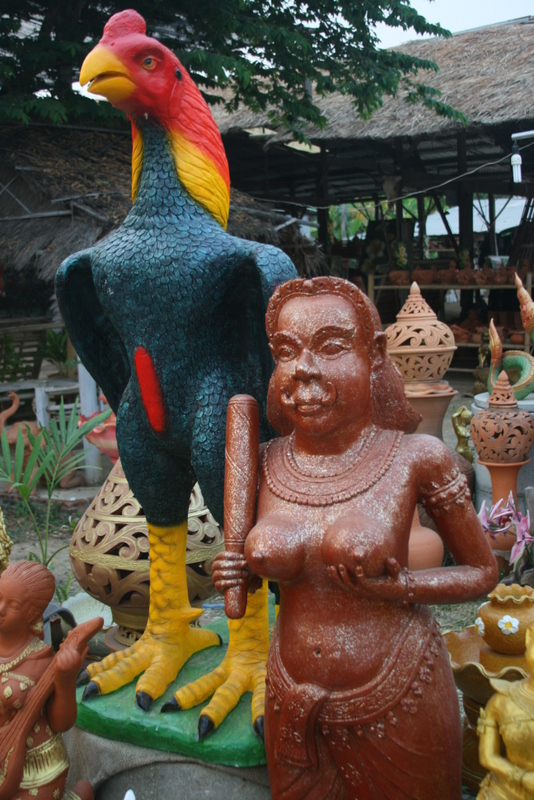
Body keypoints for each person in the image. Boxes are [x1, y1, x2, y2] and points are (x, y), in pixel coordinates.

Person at [214, 276, 498, 800]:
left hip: (399, 694)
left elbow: (483, 573)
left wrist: (403, 587)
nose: (303, 368)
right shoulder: (263, 463)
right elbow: (248, 575)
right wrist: (239, 572)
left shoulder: (416, 457)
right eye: (286, 350)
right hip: (291, 697)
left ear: (374, 354)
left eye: (330, 347)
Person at [0, 561, 93, 800]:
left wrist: (66, 679)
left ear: (32, 614)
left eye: (13, 605)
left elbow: (61, 724)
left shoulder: (40, 660)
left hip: (36, 768)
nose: (0, 609)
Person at [478, 622, 534, 800]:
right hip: (508, 790)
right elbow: (487, 756)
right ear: (529, 640)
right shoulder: (501, 701)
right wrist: (521, 777)